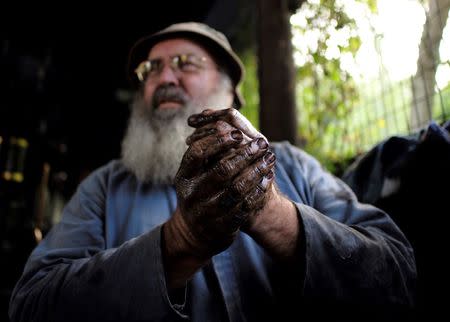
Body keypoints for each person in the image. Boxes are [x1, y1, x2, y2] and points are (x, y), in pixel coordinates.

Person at [9, 22, 416, 322]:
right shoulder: (105, 188)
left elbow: (398, 278)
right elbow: (31, 307)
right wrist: (179, 243)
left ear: (230, 93)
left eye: (185, 63)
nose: (164, 77)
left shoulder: (292, 166)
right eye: (149, 70)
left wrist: (272, 212)